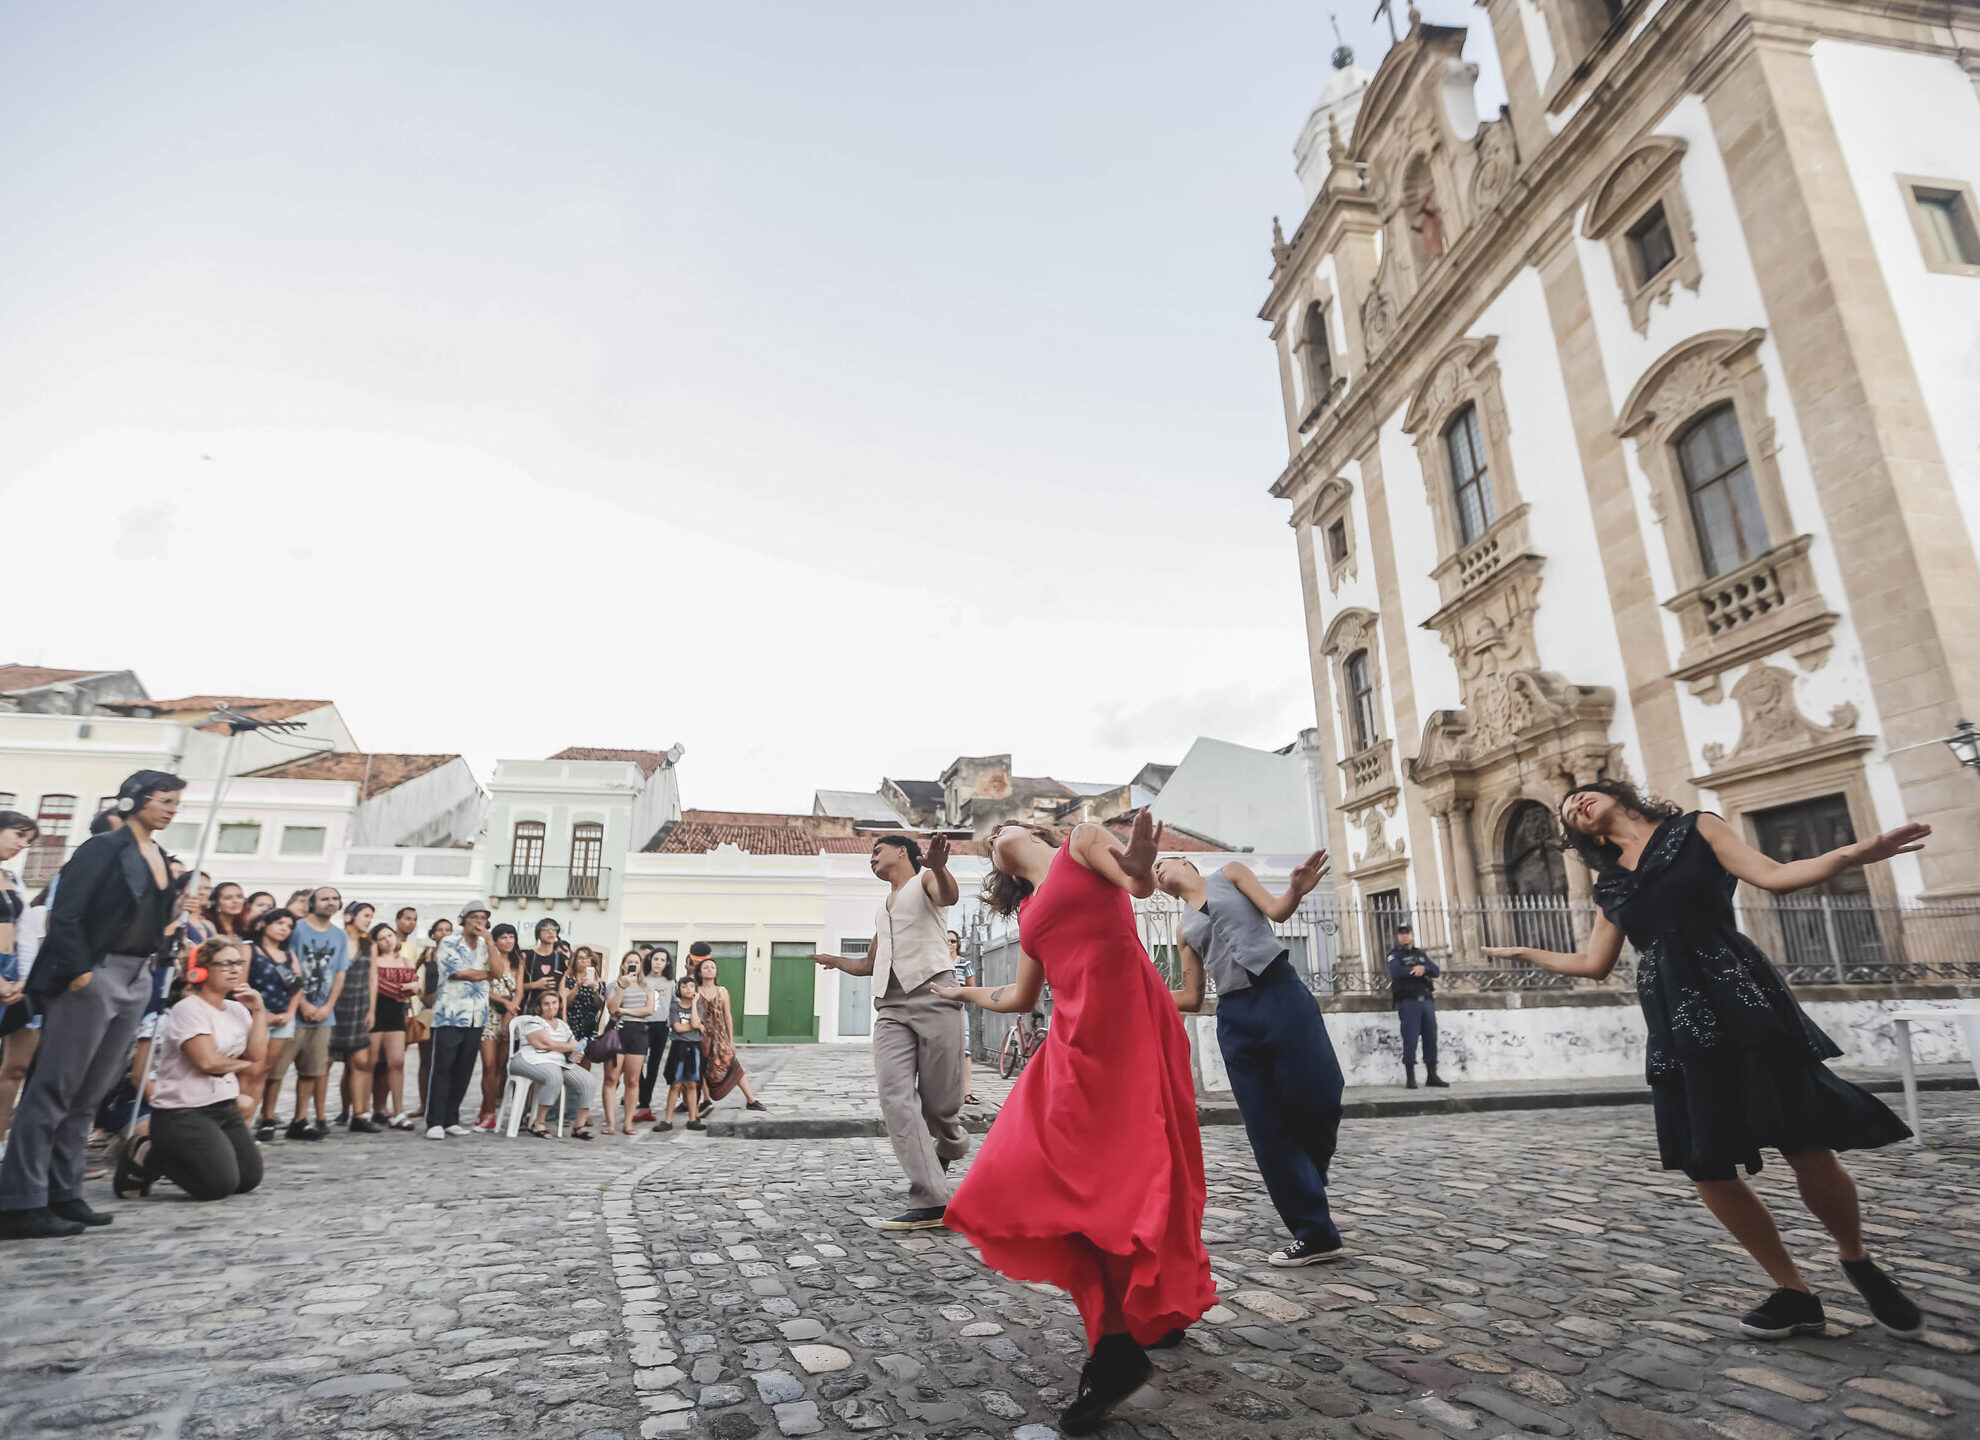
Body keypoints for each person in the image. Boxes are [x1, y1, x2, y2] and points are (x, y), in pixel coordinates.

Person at [1483, 781, 1926, 1341]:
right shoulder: (1613, 883)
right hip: (1676, 1021)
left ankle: (1855, 1257)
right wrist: (1528, 953)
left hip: (1741, 999)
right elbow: (1595, 963)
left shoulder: (1696, 830)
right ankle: (1793, 1292)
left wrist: (1854, 854)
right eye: (1569, 812)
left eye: (1582, 795)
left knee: (1805, 1143)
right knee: (1707, 1165)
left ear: (1616, 793)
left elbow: (1774, 875)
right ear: (1579, 834)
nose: (1576, 805)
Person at [939, 815, 1216, 1436]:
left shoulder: (1083, 842)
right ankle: (1127, 1329)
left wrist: (1142, 865)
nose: (992, 838)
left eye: (1000, 828)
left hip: (1129, 1028)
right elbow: (1018, 996)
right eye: (988, 843)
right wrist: (959, 994)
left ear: (1031, 830)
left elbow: (1137, 885)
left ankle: (1130, 1331)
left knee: (1135, 1173)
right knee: (1029, 1172)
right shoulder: (1031, 911)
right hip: (1071, 1042)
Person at [0, 770, 190, 1240]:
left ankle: (64, 1192)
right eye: (164, 800)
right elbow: (66, 914)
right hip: (95, 972)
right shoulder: (102, 848)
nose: (171, 808)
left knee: (91, 1093)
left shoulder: (162, 856)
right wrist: (80, 972)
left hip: (136, 974)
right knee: (53, 1089)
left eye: (175, 802)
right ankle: (19, 1201)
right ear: (134, 801)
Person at [1156, 848, 1343, 1266]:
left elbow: (1277, 912)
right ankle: (1314, 1232)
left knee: (1322, 1094)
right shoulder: (1184, 929)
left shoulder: (1231, 873)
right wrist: (1141, 993)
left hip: (1281, 993)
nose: (1156, 872)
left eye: (1159, 863)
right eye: (1153, 873)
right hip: (1235, 1015)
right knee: (1266, 1128)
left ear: (1185, 861)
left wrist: (1295, 890)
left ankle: (1308, 1179)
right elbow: (1189, 996)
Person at [812, 835, 961, 1225]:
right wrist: (835, 961)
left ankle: (948, 1141)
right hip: (891, 1009)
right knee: (895, 1096)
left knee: (941, 1104)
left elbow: (949, 896)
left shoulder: (926, 881)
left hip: (935, 995)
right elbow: (869, 964)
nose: (872, 858)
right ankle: (930, 1196)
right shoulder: (883, 910)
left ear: (902, 853)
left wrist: (940, 866)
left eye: (877, 851)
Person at [113, 936, 267, 1203]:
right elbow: (208, 1062)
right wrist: (242, 1064)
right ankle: (150, 1153)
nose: (235, 969)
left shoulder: (236, 1009)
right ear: (202, 970)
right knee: (217, 1186)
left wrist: (260, 1011)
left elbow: (256, 1053)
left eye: (238, 963)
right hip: (182, 1112)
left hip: (223, 1105)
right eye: (225, 964)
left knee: (247, 1179)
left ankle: (165, 1153)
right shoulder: (189, 1009)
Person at [287, 886, 351, 1140]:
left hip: (325, 1013)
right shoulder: (296, 929)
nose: (331, 903)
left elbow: (340, 973)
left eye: (335, 898)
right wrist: (302, 1003)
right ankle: (267, 1118)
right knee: (276, 1071)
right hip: (294, 1010)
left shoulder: (340, 936)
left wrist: (327, 1006)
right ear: (313, 903)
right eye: (325, 898)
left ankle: (300, 1119)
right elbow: (288, 966)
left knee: (312, 1070)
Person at [424, 902, 493, 1139]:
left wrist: (492, 943)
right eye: (474, 917)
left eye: (483, 917)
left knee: (464, 1069)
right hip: (450, 1015)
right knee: (443, 1068)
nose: (479, 921)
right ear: (464, 919)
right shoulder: (449, 943)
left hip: (476, 1016)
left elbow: (499, 970)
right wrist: (486, 974)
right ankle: (434, 1121)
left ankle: (451, 1118)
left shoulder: (485, 946)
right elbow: (459, 972)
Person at [0, 814, 43, 1152]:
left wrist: (25, 978)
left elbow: (27, 933)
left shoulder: (13, 877)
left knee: (17, 1066)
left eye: (28, 840)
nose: (22, 845)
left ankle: (0, 1137)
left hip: (15, 971)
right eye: (18, 835)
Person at [507, 990, 596, 1139]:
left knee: (588, 1081)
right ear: (539, 1007)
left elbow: (574, 1043)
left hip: (558, 1061)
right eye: (546, 1004)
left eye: (554, 1003)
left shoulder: (562, 1025)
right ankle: (539, 1123)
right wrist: (571, 1047)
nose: (551, 1007)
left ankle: (579, 1126)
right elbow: (546, 1045)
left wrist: (578, 1052)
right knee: (553, 1076)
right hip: (529, 1059)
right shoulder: (534, 1022)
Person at [247, 909, 304, 1140]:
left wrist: (290, 1013)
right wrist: (261, 1014)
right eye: (279, 923)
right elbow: (239, 984)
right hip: (255, 1019)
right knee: (250, 1070)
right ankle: (240, 1122)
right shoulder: (249, 948)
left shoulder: (289, 955)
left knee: (265, 1072)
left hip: (282, 1020)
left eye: (289, 925)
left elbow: (297, 986)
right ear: (265, 924)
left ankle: (252, 1121)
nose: (284, 928)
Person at [694, 953, 766, 1112]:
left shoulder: (722, 991)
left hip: (720, 1037)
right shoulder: (696, 992)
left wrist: (731, 1039)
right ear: (699, 972)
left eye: (713, 967)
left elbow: (727, 1015)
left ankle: (750, 1099)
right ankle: (706, 1100)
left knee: (734, 1065)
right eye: (706, 967)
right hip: (701, 1037)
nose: (710, 969)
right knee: (703, 1069)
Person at [330, 900, 379, 1130]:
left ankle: (360, 1115)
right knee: (326, 1061)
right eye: (365, 915)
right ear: (350, 916)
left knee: (360, 1061)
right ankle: (324, 1115)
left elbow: (373, 979)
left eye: (371, 916)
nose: (368, 920)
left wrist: (371, 1010)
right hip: (334, 1005)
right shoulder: (335, 939)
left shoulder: (369, 944)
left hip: (359, 1006)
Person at [1385, 922, 1447, 1089]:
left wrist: (1424, 968)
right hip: (1408, 1002)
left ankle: (1432, 1075)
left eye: (1407, 932)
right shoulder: (1395, 954)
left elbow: (1435, 970)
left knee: (1430, 1038)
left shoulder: (1421, 954)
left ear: (1412, 934)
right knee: (1410, 1039)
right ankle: (1410, 1077)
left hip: (1426, 1001)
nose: (1404, 936)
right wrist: (1416, 971)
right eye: (1401, 933)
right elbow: (1396, 971)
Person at [367, 923, 416, 1128]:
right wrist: (404, 987)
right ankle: (364, 1109)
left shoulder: (406, 961)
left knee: (397, 1061)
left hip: (397, 1014)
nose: (388, 940)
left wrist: (410, 987)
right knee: (369, 1063)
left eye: (389, 935)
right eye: (382, 938)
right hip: (375, 1013)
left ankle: (398, 1111)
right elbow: (379, 987)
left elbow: (413, 987)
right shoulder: (373, 961)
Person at [604, 952, 657, 1135]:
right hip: (617, 1031)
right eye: (629, 962)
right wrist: (622, 986)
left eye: (636, 962)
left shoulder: (647, 986)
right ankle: (610, 1123)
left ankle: (628, 1122)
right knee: (612, 1078)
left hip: (638, 1033)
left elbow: (649, 1010)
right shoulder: (613, 984)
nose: (633, 965)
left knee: (633, 1080)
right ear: (623, 965)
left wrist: (624, 1010)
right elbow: (611, 1008)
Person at [406, 916, 452, 1119]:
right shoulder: (427, 954)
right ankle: (423, 1105)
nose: (444, 933)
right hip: (429, 1011)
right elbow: (410, 975)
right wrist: (420, 993)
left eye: (448, 929)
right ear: (433, 934)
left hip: (451, 1012)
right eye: (440, 929)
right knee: (426, 1060)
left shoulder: (456, 954)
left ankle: (444, 1105)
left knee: (446, 1061)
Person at [476, 923, 521, 1131]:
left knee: (501, 1068)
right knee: (489, 1065)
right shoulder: (486, 958)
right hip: (488, 1015)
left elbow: (519, 991)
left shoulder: (518, 961)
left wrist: (510, 1012)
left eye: (511, 937)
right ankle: (487, 1110)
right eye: (503, 937)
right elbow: (482, 988)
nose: (508, 941)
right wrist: (503, 1002)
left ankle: (491, 1110)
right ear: (495, 940)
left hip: (510, 1016)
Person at [658, 976, 706, 1132]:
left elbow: (697, 1023)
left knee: (693, 1084)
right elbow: (678, 1028)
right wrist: (695, 1026)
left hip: (694, 1047)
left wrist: (693, 1005)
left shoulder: (698, 1008)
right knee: (676, 1083)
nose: (688, 989)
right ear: (679, 989)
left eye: (692, 986)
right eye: (684, 986)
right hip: (678, 1047)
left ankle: (693, 1118)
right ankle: (668, 1120)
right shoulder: (674, 1007)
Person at [636, 947, 676, 1122]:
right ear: (650, 960)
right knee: (637, 1065)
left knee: (654, 1065)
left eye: (662, 959)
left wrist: (672, 1019)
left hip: (661, 1026)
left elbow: (675, 1003)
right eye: (656, 959)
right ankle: (643, 1096)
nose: (658, 962)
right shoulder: (641, 980)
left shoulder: (670, 982)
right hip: (642, 1024)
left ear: (667, 963)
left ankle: (645, 1103)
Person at [517, 918, 564, 1016]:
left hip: (552, 1012)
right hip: (528, 1009)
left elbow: (563, 990)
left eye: (553, 929)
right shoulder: (527, 956)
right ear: (538, 933)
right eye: (545, 929)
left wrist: (564, 1016)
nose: (550, 932)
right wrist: (535, 985)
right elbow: (515, 986)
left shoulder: (561, 958)